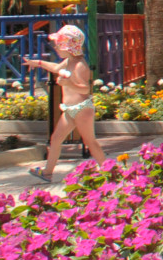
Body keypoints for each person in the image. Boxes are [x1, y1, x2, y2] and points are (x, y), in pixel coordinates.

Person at [25, 24, 106, 183]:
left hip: (82, 109)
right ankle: (47, 172)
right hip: (70, 110)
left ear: (68, 47)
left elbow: (85, 89)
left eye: (58, 44)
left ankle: (110, 170)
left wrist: (68, 84)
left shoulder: (80, 65)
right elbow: (55, 67)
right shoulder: (69, 61)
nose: (55, 47)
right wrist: (39, 63)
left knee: (90, 142)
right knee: (56, 139)